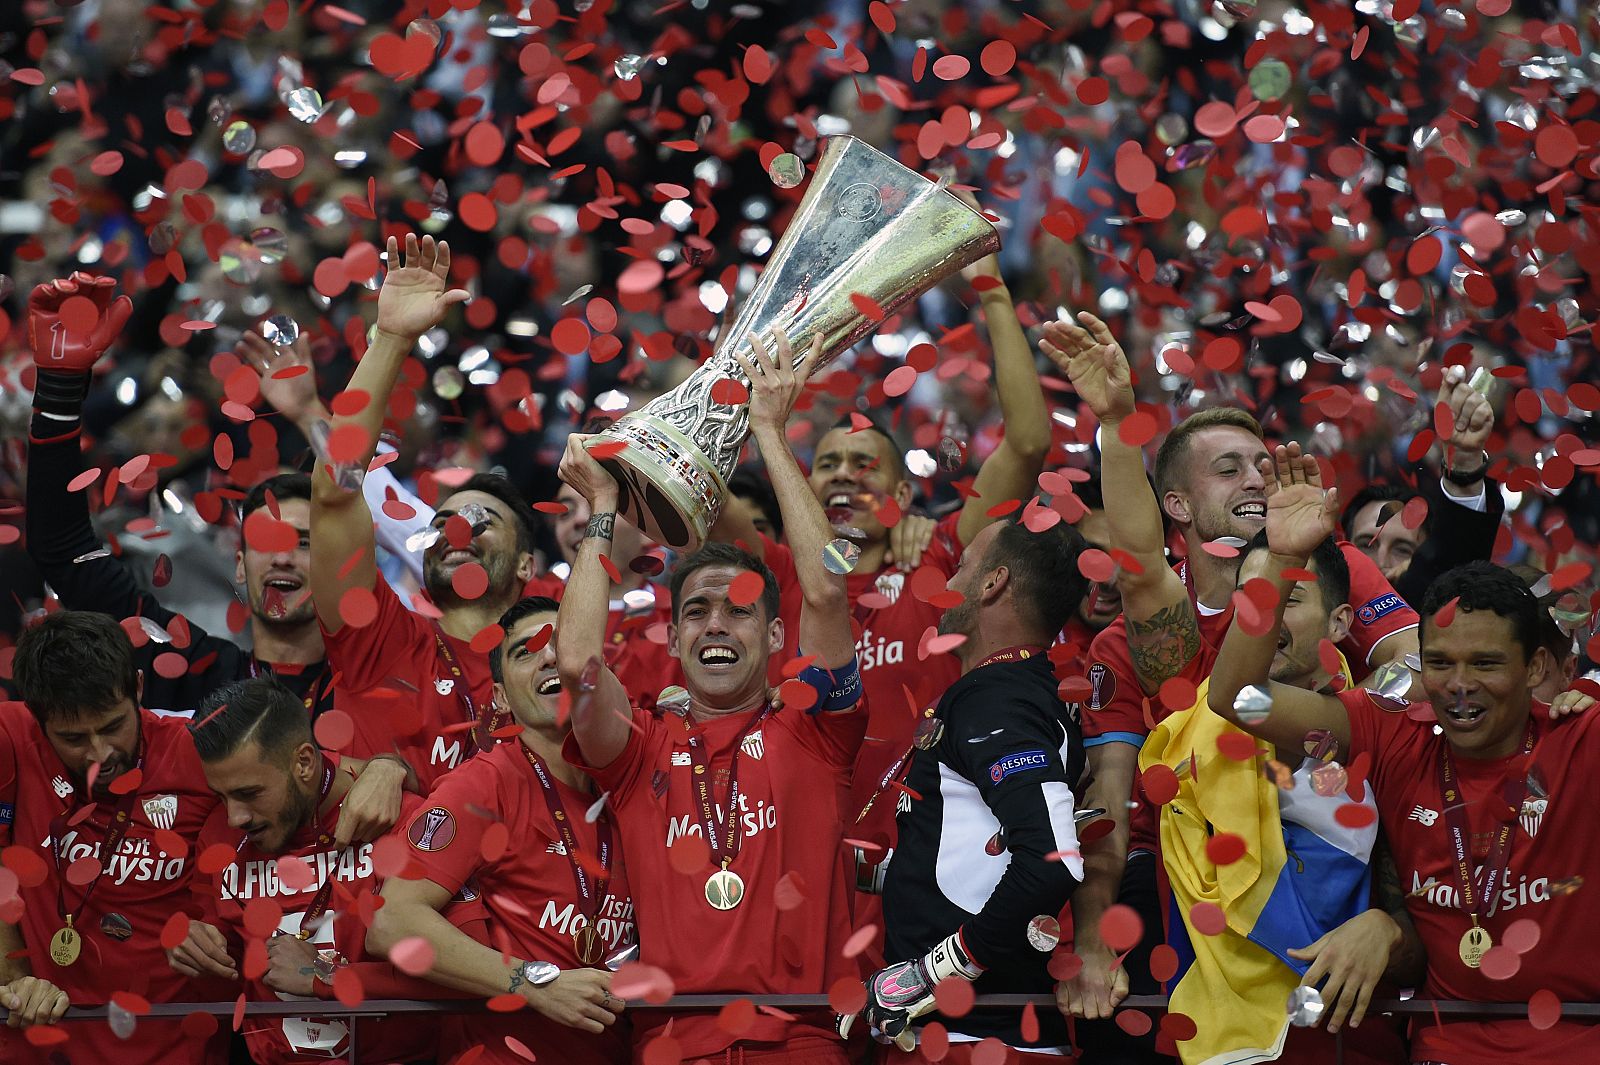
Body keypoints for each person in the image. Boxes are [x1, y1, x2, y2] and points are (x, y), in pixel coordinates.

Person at [1038, 312, 1421, 1045]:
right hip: (1192, 891)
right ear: (1175, 505)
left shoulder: (1329, 568)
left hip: (1345, 862)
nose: (1256, 477)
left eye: (1260, 462)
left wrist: (1346, 724)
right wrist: (1118, 421)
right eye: (1229, 468)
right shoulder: (1139, 638)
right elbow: (1110, 802)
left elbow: (1418, 667)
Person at [1207, 444, 1600, 1065]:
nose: (1459, 685)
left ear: (1539, 669)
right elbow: (1239, 700)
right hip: (1443, 1049)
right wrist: (1281, 560)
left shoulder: (1581, 741)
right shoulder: (1393, 731)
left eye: (1487, 664)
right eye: (1439, 662)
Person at [556, 331, 864, 1063]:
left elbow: (824, 583)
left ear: (777, 634)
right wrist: (603, 507)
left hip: (800, 1041)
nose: (716, 623)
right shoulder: (639, 751)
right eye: (696, 610)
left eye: (738, 608)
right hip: (671, 1044)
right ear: (671, 635)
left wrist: (769, 432)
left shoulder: (816, 731)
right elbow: (577, 660)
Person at [842, 516, 1090, 1059]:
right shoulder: (1021, 689)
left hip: (977, 1038)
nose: (949, 582)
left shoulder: (995, 698)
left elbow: (1053, 860)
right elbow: (976, 851)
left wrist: (937, 971)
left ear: (992, 582)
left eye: (962, 567)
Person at [309, 234, 535, 787]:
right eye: (441, 524)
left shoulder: (553, 663)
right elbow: (337, 488)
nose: (456, 529)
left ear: (528, 566)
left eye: (482, 521)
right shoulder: (379, 639)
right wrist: (390, 338)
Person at [370, 596, 632, 1065]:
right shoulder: (484, 784)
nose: (550, 656)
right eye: (525, 652)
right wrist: (532, 983)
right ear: (501, 698)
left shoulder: (632, 774)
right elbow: (392, 923)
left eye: (560, 641)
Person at [174, 678, 456, 1065]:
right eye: (220, 796)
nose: (234, 816)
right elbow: (226, 969)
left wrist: (324, 973)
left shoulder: (400, 818)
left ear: (304, 762)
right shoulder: (218, 837)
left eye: (249, 793)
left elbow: (458, 976)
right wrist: (197, 949)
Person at [1342, 365, 1504, 607]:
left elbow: (1453, 560)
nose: (1381, 563)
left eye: (1402, 549)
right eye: (1366, 545)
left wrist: (1464, 463)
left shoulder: (1427, 625)